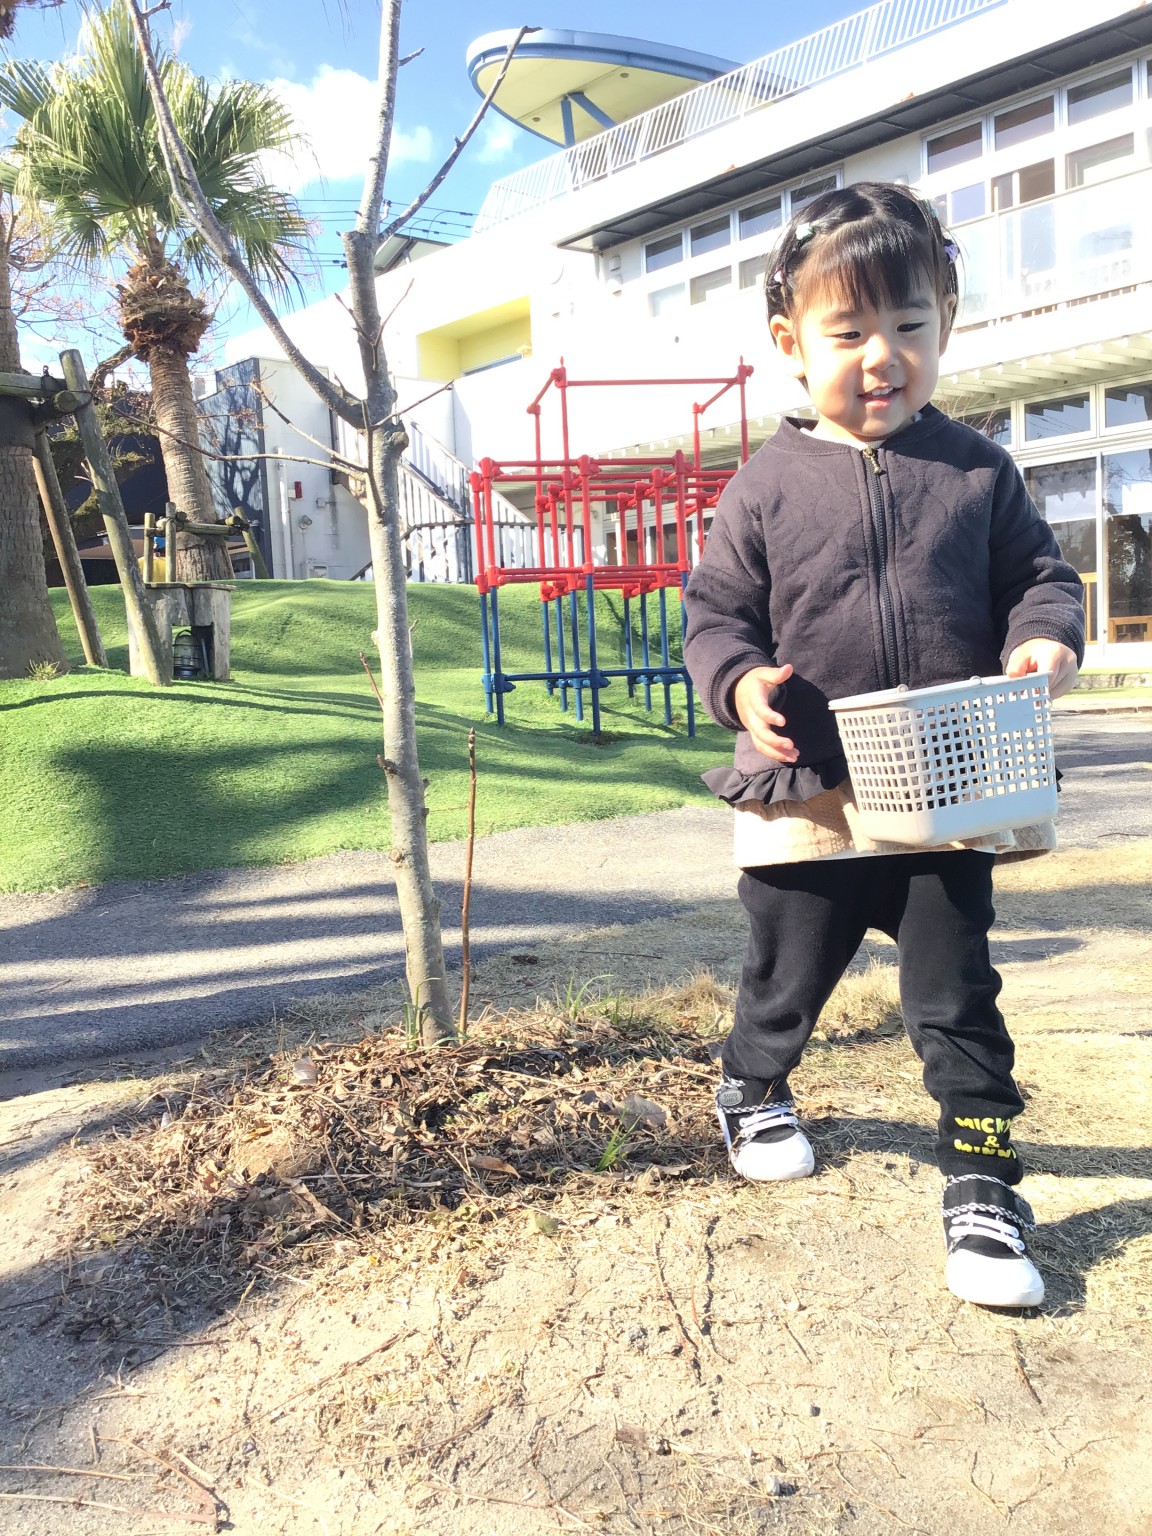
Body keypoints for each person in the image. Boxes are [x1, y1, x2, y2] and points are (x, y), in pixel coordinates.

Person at [682, 181, 1085, 1309]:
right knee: (785, 980)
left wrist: (1045, 638)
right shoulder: (764, 487)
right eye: (848, 331)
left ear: (945, 325)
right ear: (790, 342)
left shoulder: (977, 471)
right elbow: (714, 615)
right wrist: (738, 682)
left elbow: (1040, 578)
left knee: (957, 998)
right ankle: (753, 1085)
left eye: (910, 325)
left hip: (947, 786)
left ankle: (985, 1182)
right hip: (805, 795)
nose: (882, 356)